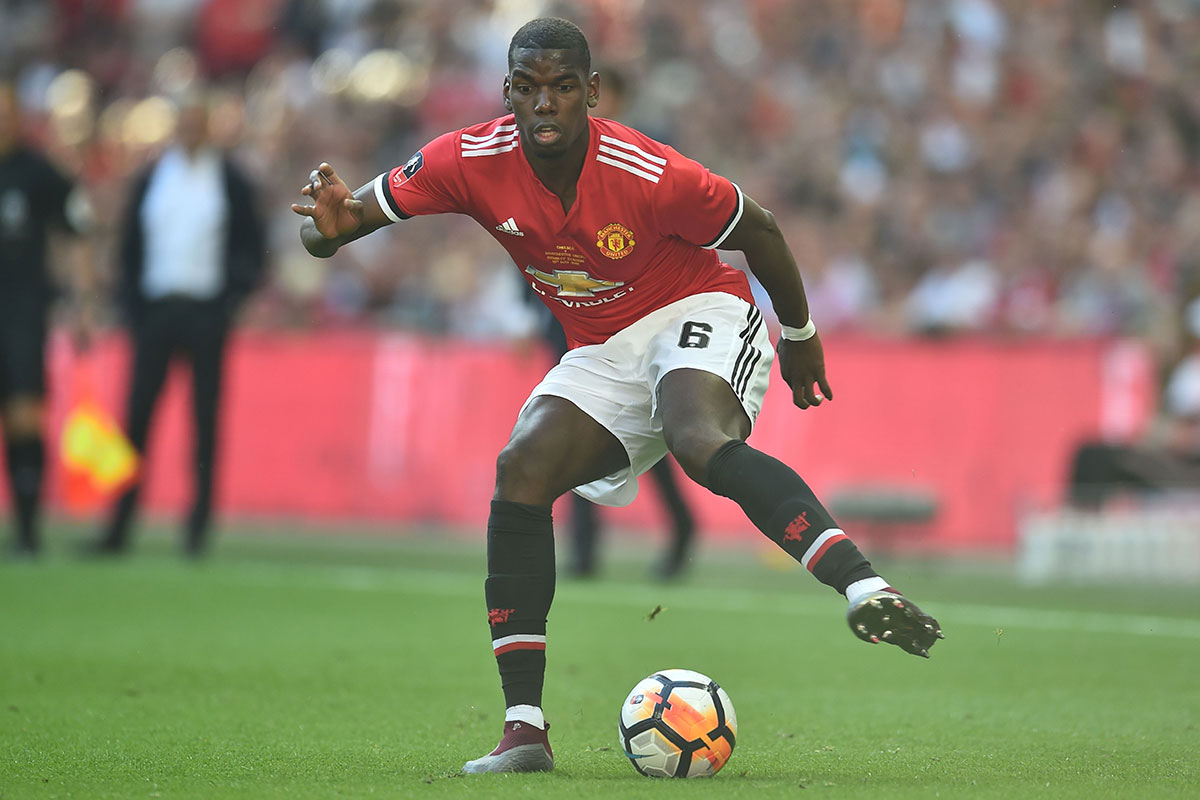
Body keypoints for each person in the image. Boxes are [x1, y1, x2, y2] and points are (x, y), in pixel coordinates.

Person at [292, 18, 943, 774]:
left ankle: (862, 586)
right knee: (522, 468)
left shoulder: (646, 170)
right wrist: (329, 231)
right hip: (602, 346)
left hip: (697, 309)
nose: (545, 105)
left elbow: (759, 229)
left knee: (697, 440)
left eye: (563, 88)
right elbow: (342, 221)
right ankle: (524, 730)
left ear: (591, 93)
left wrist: (798, 334)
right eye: (529, 89)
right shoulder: (465, 159)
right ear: (507, 93)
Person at [88, 92, 265, 558]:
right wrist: (131, 304)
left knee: (204, 421)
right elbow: (130, 245)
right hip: (155, 310)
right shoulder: (153, 176)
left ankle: (197, 529)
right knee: (136, 418)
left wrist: (231, 298)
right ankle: (119, 523)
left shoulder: (229, 180)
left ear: (208, 127)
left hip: (206, 310)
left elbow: (253, 244)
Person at [0, 82, 96, 558]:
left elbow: (77, 229)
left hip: (19, 310)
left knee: (23, 415)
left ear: (18, 118)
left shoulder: (37, 173)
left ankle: (27, 529)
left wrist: (82, 301)